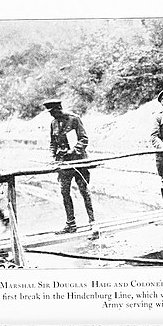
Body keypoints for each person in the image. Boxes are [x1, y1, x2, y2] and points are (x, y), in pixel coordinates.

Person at [44, 99, 95, 234]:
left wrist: (72, 151)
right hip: (63, 164)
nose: (52, 115)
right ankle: (71, 224)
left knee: (84, 191)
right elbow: (52, 143)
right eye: (50, 113)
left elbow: (84, 139)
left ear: (59, 108)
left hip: (79, 162)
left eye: (53, 112)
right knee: (64, 192)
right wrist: (51, 155)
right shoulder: (53, 123)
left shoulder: (74, 119)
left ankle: (93, 222)